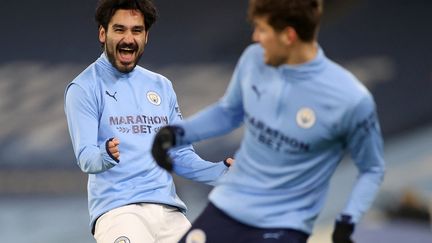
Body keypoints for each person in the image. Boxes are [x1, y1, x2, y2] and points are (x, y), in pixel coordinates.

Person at [151, 0, 385, 242]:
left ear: (288, 36)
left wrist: (348, 220)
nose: (255, 37)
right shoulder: (254, 60)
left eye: (262, 30)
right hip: (228, 207)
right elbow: (228, 112)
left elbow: (372, 169)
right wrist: (177, 134)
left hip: (284, 225)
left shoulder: (351, 99)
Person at [64, 0, 232, 242]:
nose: (128, 39)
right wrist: (106, 154)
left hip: (169, 211)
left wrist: (221, 173)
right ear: (103, 33)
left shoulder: (161, 86)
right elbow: (86, 158)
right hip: (119, 211)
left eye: (137, 30)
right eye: (119, 29)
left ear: (146, 37)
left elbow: (179, 155)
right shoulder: (84, 87)